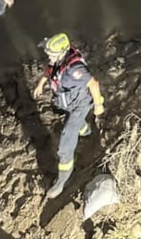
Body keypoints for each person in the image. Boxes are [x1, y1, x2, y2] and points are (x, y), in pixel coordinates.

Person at [33, 33, 105, 199]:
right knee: (76, 124)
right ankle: (86, 131)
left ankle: (62, 181)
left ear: (62, 52)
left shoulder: (76, 69)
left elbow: (94, 84)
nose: (47, 56)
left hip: (79, 106)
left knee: (65, 145)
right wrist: (40, 85)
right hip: (67, 103)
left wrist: (98, 106)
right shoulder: (56, 61)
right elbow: (49, 72)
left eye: (50, 54)